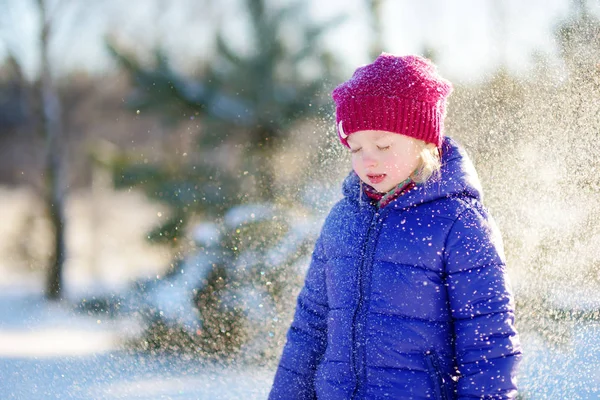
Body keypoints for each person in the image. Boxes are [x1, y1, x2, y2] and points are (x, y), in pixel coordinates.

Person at [269, 53, 522, 399]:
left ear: (423, 142)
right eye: (355, 148)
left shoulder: (458, 223)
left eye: (383, 145)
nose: (367, 158)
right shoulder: (342, 221)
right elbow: (310, 330)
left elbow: (488, 343)